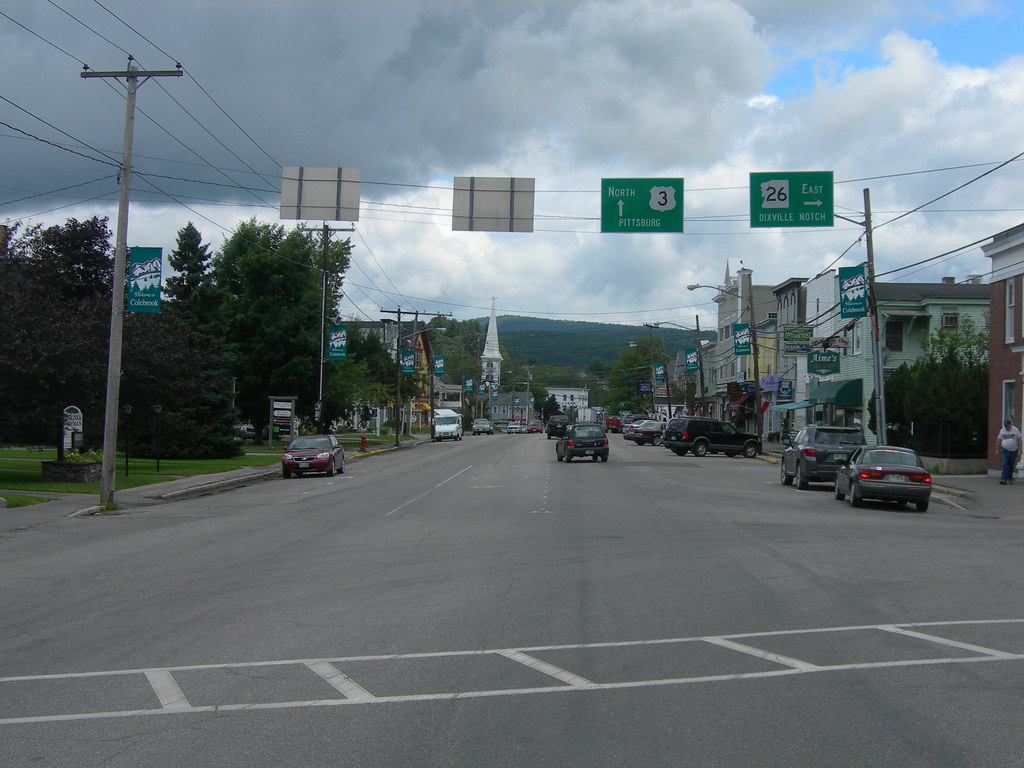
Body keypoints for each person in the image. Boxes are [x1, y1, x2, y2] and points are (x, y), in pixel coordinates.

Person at [996, 418, 1022, 485]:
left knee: (1010, 465)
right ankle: (1003, 479)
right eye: (1005, 426)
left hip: (1013, 450)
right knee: (1004, 464)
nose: (1007, 427)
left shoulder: (1015, 430)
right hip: (1004, 450)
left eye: (1008, 426)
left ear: (1010, 425)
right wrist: (997, 449)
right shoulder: (1002, 430)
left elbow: (1019, 440)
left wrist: (1020, 449)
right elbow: (998, 440)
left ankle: (1009, 478)